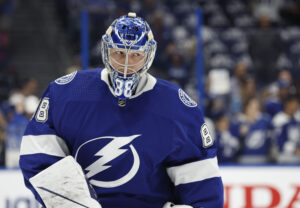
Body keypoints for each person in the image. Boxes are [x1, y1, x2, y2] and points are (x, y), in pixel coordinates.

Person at [19, 13, 223, 208]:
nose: (126, 64)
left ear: (148, 55)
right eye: (119, 53)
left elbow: (203, 187)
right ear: (106, 50)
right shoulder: (66, 93)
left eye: (136, 54)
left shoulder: (177, 107)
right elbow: (38, 159)